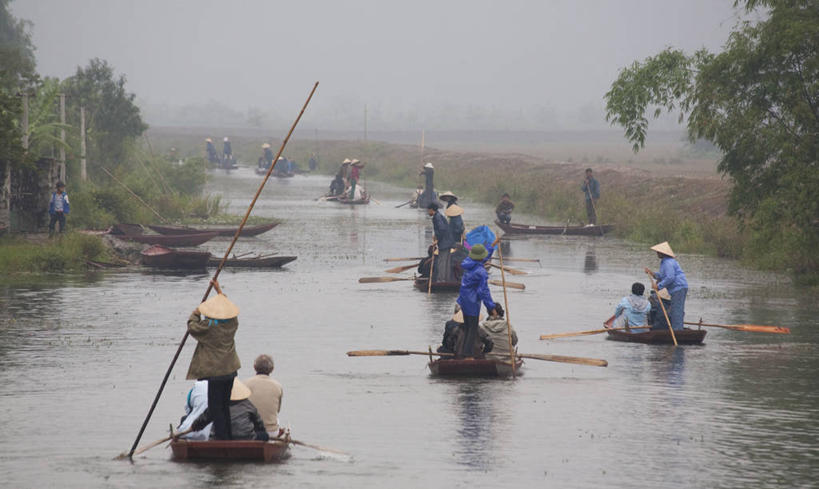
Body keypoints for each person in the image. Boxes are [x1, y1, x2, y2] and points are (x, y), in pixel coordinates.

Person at [186, 280, 241, 440]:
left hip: (216, 373)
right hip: (230, 371)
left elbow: (192, 326)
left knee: (216, 408)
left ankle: (223, 439)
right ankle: (227, 438)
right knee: (224, 405)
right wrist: (219, 291)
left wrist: (196, 312)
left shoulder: (208, 327)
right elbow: (228, 310)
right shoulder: (232, 323)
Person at [456, 244, 502, 357]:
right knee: (472, 330)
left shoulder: (468, 262)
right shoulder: (481, 272)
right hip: (472, 303)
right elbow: (483, 292)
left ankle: (463, 353)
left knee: (467, 327)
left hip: (463, 300)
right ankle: (467, 355)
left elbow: (482, 259)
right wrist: (491, 307)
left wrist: (491, 247)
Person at [192, 379, 269, 441]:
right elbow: (259, 423)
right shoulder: (247, 404)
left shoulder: (216, 404)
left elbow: (202, 420)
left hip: (219, 438)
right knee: (264, 435)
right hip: (245, 438)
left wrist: (193, 427)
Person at [644, 241, 688, 331]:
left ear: (662, 253)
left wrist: (658, 286)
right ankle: (676, 329)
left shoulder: (668, 263)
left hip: (678, 288)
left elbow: (670, 277)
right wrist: (652, 273)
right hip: (676, 288)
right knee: (675, 310)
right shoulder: (664, 262)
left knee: (677, 311)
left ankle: (677, 331)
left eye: (658, 252)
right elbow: (662, 276)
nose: (657, 253)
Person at [244, 354, 284, 435]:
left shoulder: (245, 384)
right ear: (272, 369)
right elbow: (277, 410)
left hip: (249, 429)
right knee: (276, 419)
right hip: (271, 431)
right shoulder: (278, 386)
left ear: (254, 367)